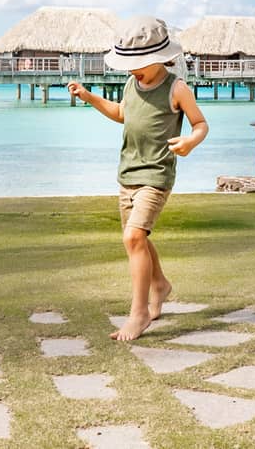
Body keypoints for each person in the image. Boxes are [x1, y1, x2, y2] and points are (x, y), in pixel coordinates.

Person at [69, 17, 207, 342]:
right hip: (127, 173)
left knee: (132, 239)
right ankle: (160, 285)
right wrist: (90, 97)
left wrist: (189, 141)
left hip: (156, 175)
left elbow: (200, 123)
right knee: (138, 239)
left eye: (139, 64)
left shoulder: (177, 88)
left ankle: (139, 312)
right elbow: (121, 113)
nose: (133, 70)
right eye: (129, 65)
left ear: (159, 58)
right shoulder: (132, 84)